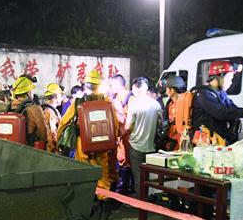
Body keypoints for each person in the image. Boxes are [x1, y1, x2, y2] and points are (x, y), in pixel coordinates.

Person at [58, 70, 119, 211]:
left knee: (85, 174)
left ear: (85, 85)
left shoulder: (78, 102)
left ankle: (86, 204)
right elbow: (114, 125)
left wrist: (59, 140)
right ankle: (103, 206)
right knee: (102, 176)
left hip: (83, 145)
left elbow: (63, 123)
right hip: (102, 146)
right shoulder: (107, 102)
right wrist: (112, 143)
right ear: (99, 85)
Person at [190, 60, 243, 145]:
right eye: (229, 78)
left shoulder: (220, 93)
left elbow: (232, 108)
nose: (231, 82)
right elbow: (221, 113)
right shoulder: (204, 94)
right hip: (205, 143)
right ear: (219, 76)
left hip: (217, 140)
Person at [125, 77, 161, 197]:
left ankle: (141, 201)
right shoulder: (156, 104)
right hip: (151, 145)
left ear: (135, 89)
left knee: (138, 175)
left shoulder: (134, 104)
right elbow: (160, 124)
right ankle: (150, 197)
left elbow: (127, 127)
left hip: (136, 145)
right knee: (150, 175)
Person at [9, 76, 48, 147]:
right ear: (28, 92)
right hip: (28, 149)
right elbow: (43, 134)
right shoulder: (35, 108)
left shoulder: (10, 106)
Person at [159, 75, 187, 150]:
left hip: (181, 142)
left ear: (172, 90)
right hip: (171, 140)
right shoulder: (170, 104)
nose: (166, 91)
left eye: (167, 89)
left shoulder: (184, 104)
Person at [42, 83, 64, 153]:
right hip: (52, 151)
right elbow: (52, 135)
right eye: (61, 96)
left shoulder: (52, 110)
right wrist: (57, 149)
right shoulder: (49, 112)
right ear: (57, 96)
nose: (62, 98)